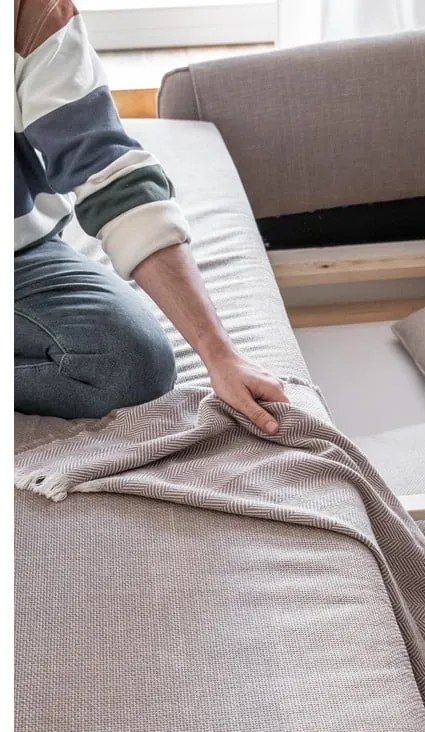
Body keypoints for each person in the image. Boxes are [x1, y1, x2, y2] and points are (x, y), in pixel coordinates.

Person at [14, 0, 288, 431]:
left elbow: (105, 169)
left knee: (130, 364)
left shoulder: (28, 14)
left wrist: (220, 354)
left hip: (20, 253)